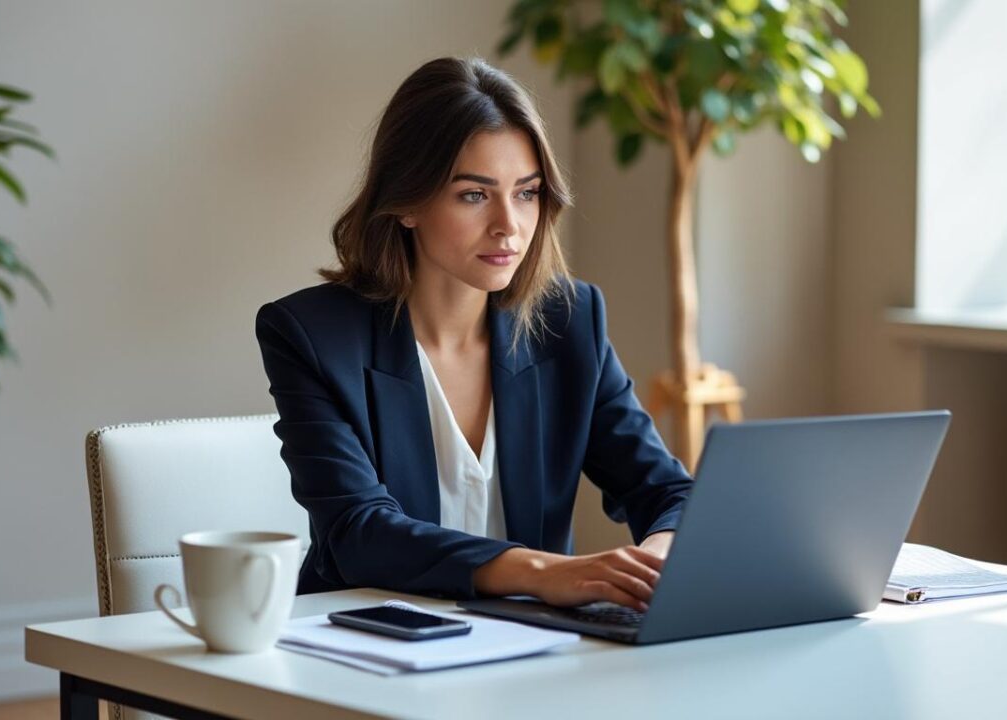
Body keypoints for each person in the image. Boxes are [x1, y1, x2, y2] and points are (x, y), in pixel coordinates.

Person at [255, 56, 692, 613]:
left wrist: (654, 558)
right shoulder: (313, 335)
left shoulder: (569, 322)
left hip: (530, 651)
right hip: (364, 644)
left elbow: (668, 492)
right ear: (408, 201)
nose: (509, 225)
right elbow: (358, 532)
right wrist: (544, 571)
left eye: (527, 192)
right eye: (474, 194)